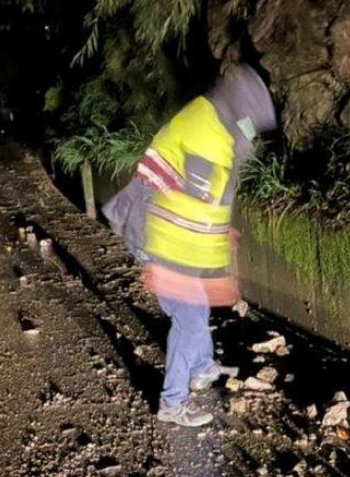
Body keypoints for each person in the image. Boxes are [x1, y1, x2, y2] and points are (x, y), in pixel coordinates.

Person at [102, 64, 278, 426]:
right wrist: (189, 267)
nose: (250, 136)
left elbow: (213, 199)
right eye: (250, 125)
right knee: (188, 315)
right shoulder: (205, 136)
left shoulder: (219, 122)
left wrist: (215, 244)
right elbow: (187, 209)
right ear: (238, 109)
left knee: (195, 311)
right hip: (159, 236)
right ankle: (172, 402)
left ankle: (201, 367)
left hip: (171, 232)